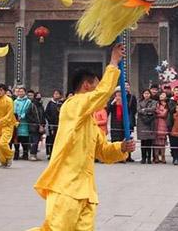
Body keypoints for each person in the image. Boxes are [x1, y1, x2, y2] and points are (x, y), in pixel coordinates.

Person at [31, 43, 134, 230]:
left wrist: (121, 148)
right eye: (96, 84)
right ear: (87, 85)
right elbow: (101, 96)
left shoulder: (90, 122)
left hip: (86, 192)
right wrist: (113, 63)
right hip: (66, 188)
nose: (99, 89)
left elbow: (103, 152)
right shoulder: (73, 105)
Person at [137, 88, 157, 164]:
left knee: (149, 141)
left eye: (148, 93)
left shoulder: (154, 102)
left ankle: (149, 158)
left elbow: (153, 109)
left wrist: (144, 110)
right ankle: (143, 157)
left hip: (150, 122)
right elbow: (138, 110)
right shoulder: (139, 101)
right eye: (145, 93)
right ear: (143, 94)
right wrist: (147, 111)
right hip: (142, 122)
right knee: (143, 141)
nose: (146, 95)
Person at [13, 86, 32, 160]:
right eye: (19, 91)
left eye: (22, 91)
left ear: (25, 92)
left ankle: (25, 154)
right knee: (16, 138)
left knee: (25, 139)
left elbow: (27, 110)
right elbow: (14, 110)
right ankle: (16, 154)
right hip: (16, 122)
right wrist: (15, 117)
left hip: (24, 123)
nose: (20, 93)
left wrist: (22, 116)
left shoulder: (28, 101)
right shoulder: (15, 101)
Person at [27, 92, 46, 161]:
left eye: (40, 96)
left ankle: (35, 154)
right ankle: (32, 154)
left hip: (40, 126)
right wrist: (34, 122)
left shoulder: (41, 106)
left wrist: (43, 124)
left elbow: (43, 116)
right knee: (35, 141)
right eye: (37, 96)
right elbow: (28, 115)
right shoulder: (32, 105)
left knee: (38, 141)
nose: (39, 97)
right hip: (34, 126)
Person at [44, 90, 63, 160]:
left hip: (60, 124)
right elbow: (46, 113)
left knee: (58, 139)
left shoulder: (62, 103)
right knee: (50, 139)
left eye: (58, 94)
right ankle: (49, 153)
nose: (56, 95)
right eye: (55, 94)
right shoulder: (50, 103)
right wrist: (50, 121)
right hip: (51, 125)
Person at [153, 92, 169, 164]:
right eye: (161, 95)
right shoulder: (156, 104)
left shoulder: (167, 104)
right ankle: (156, 157)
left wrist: (159, 112)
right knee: (156, 141)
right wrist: (160, 112)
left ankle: (163, 156)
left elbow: (164, 114)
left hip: (163, 123)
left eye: (164, 95)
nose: (162, 96)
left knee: (162, 141)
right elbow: (155, 111)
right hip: (156, 123)